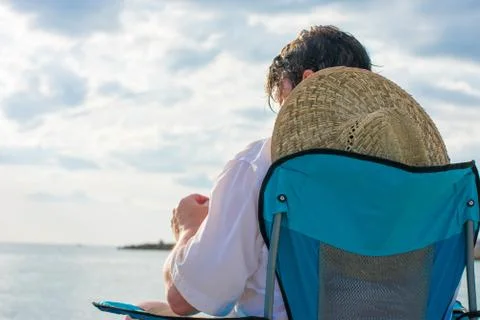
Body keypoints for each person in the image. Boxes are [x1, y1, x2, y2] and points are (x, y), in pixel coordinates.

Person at [132, 25, 373, 319]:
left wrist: (189, 229)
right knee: (150, 309)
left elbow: (185, 300)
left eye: (279, 87)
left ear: (305, 84)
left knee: (139, 314)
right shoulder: (398, 181)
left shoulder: (261, 166)